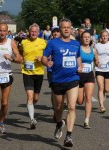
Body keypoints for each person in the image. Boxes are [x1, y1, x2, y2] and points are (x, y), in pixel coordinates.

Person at [42, 18, 82, 147]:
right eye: (63, 27)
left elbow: (78, 57)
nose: (66, 29)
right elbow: (44, 57)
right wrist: (46, 63)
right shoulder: (53, 43)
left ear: (71, 29)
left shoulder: (76, 44)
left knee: (71, 107)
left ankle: (68, 136)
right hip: (57, 79)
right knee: (58, 108)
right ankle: (59, 123)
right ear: (60, 29)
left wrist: (80, 66)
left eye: (68, 27)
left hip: (73, 78)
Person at [0, 23, 22, 134]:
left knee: (5, 103)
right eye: (0, 30)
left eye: (4, 31)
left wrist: (11, 58)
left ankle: (1, 123)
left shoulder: (10, 43)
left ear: (7, 31)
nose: (2, 33)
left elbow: (20, 59)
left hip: (6, 75)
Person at [20, 23, 46, 129]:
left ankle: (31, 107)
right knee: (29, 96)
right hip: (27, 73)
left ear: (38, 32)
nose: (34, 33)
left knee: (35, 98)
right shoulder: (24, 42)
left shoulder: (43, 42)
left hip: (39, 72)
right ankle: (32, 119)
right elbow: (20, 53)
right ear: (29, 32)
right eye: (32, 31)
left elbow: (48, 55)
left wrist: (43, 58)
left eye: (35, 31)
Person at [77, 31, 99, 129]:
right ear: (81, 38)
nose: (86, 39)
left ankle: (86, 121)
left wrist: (98, 63)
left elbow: (96, 61)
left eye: (88, 37)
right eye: (84, 37)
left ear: (90, 38)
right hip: (78, 76)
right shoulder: (77, 49)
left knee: (88, 98)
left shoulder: (93, 50)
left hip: (89, 76)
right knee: (80, 101)